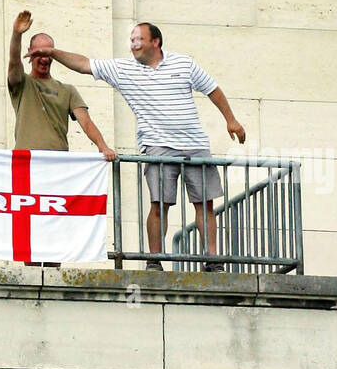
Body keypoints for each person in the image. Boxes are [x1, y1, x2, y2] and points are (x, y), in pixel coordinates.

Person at [29, 22, 246, 272]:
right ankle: (154, 260)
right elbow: (84, 64)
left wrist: (231, 119)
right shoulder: (123, 69)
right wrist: (52, 52)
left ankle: (212, 260)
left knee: (205, 203)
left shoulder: (183, 63)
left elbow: (212, 89)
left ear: (155, 42)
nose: (133, 43)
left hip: (195, 144)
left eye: (138, 39)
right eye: (131, 39)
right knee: (159, 204)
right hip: (157, 146)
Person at [8, 10, 115, 158]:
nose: (45, 59)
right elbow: (14, 62)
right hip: (26, 162)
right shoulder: (22, 83)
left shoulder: (68, 90)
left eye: (48, 53)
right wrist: (16, 34)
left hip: (58, 164)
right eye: (40, 53)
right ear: (30, 52)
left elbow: (86, 122)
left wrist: (103, 147)